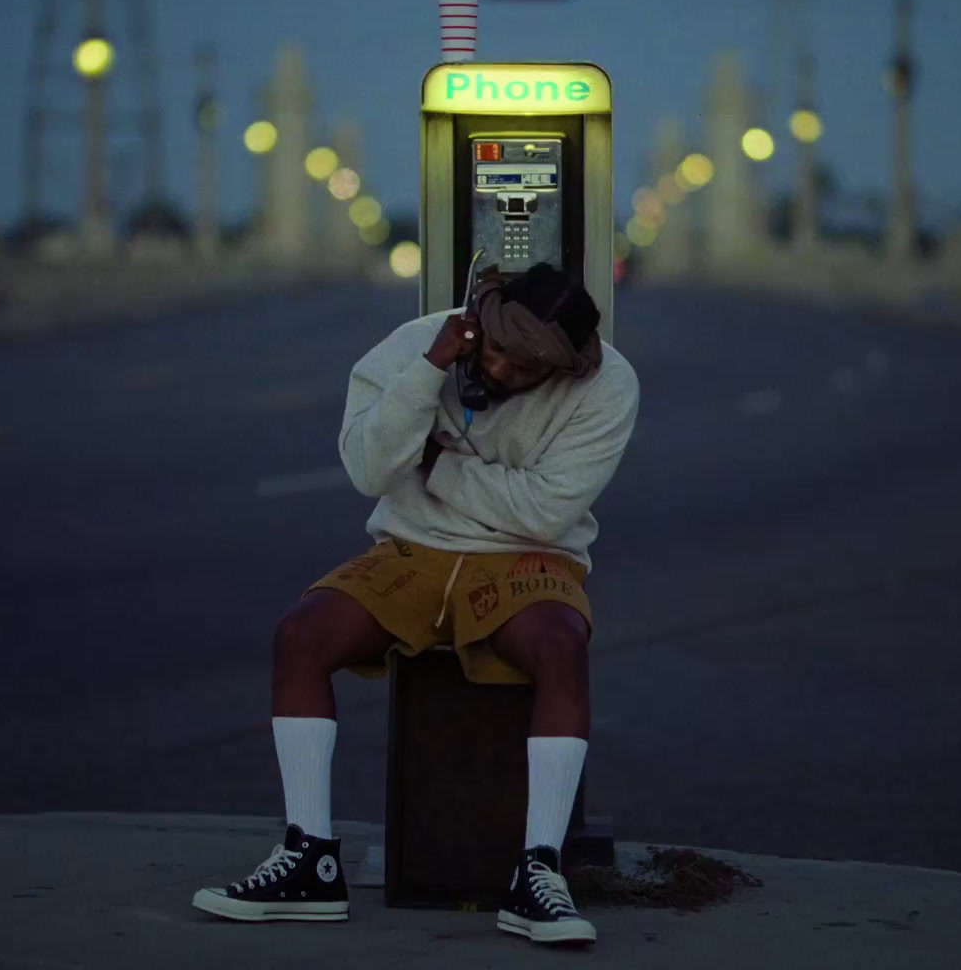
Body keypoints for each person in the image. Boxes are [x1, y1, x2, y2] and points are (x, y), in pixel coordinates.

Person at [192, 262, 639, 946]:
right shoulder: (414, 347)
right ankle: (308, 856)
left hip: (529, 559)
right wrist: (430, 370)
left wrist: (433, 464)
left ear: (562, 368)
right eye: (491, 349)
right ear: (474, 325)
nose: (498, 369)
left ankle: (539, 871)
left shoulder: (609, 385)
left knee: (559, 646)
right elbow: (369, 470)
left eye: (523, 367)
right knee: (302, 636)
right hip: (412, 548)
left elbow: (545, 512)